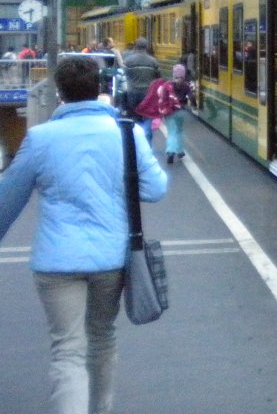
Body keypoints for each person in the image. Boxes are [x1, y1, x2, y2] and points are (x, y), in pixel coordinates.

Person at [0, 56, 168, 414]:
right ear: (101, 88)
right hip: (110, 258)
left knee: (67, 350)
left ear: (60, 92)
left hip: (56, 261)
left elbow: (8, 200)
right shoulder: (127, 133)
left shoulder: (40, 138)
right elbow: (155, 189)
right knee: (102, 337)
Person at [122, 38, 160, 132]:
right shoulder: (153, 61)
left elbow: (124, 74)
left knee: (134, 117)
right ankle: (147, 139)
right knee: (147, 117)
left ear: (135, 46)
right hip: (148, 93)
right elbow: (158, 77)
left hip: (132, 92)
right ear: (146, 47)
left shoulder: (128, 61)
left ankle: (136, 137)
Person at [163, 64, 195, 164]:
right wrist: (194, 105)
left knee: (171, 132)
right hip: (181, 111)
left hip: (169, 111)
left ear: (173, 74)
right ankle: (180, 151)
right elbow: (191, 97)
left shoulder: (168, 85)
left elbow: (162, 97)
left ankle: (171, 151)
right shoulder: (186, 85)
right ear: (184, 75)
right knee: (179, 131)